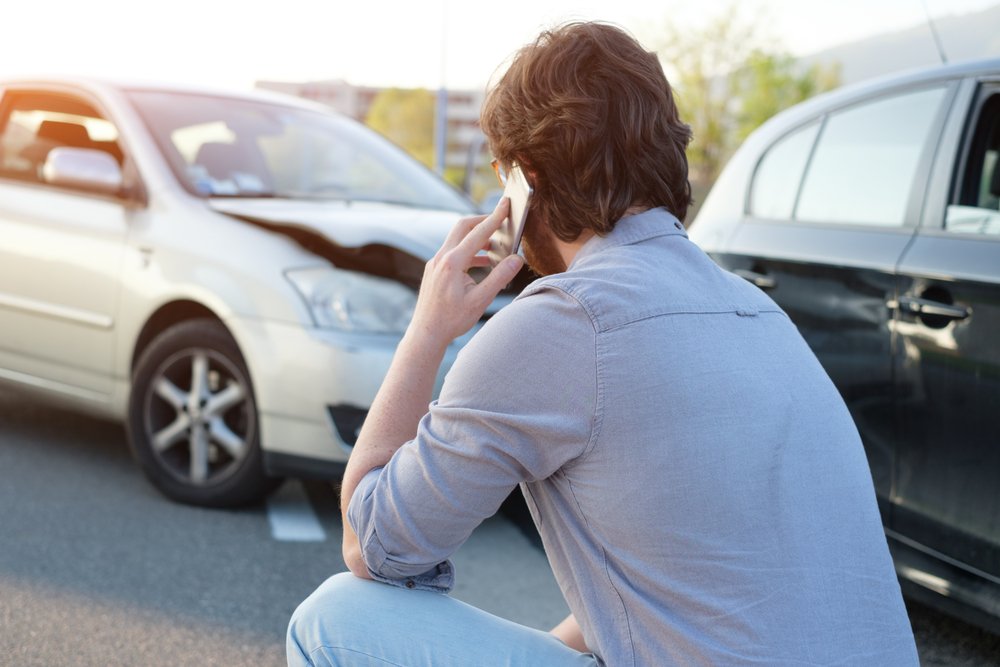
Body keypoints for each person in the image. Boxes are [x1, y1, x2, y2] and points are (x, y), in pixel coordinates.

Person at [287, 22, 918, 666]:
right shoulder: (760, 313)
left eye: (503, 176)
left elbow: (374, 545)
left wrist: (426, 331)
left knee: (334, 618)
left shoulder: (564, 322)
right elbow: (658, 590)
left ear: (527, 181)